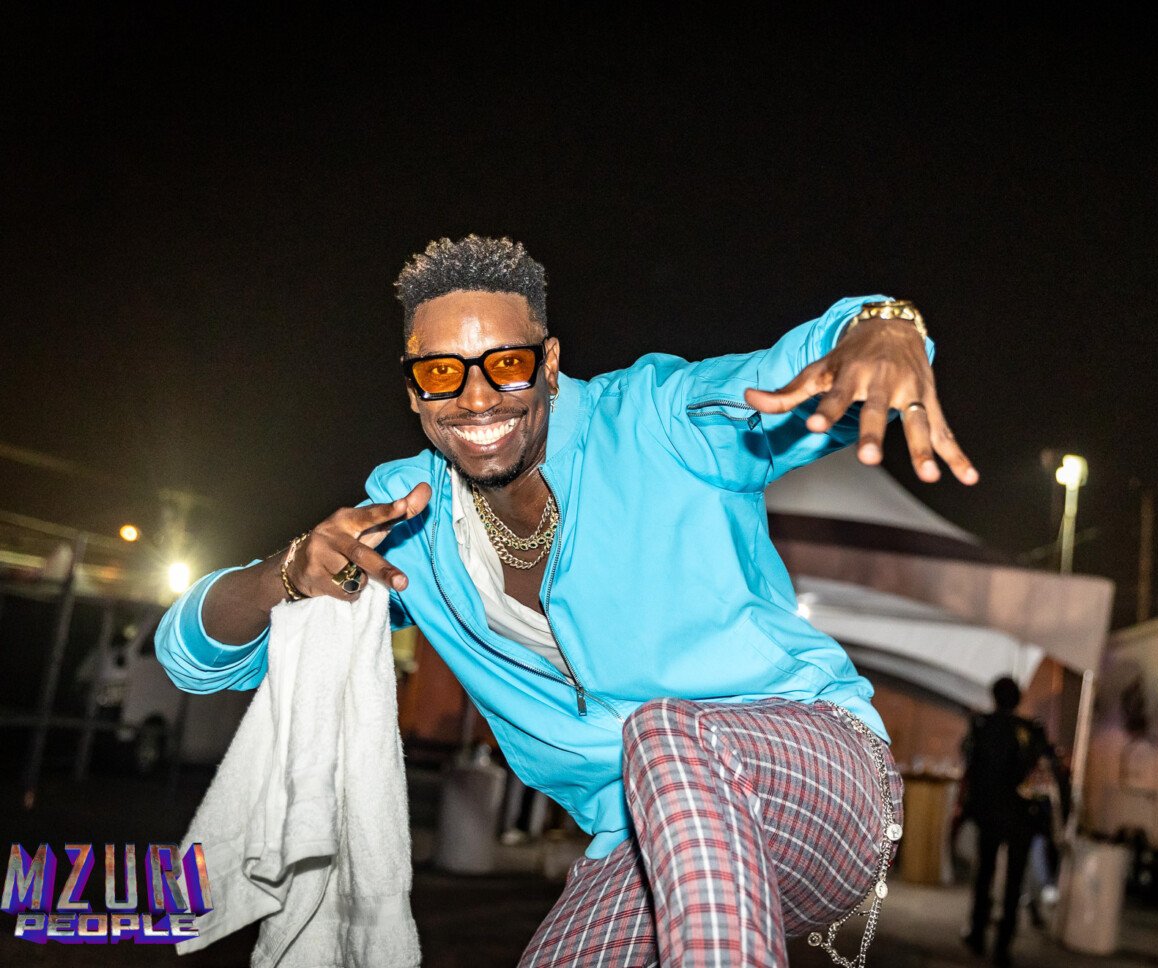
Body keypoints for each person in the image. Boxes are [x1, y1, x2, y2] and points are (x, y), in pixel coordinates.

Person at [155, 235, 978, 967]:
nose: (477, 398)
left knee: (664, 733)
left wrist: (883, 327)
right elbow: (193, 660)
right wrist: (284, 572)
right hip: (642, 841)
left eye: (506, 364)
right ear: (413, 392)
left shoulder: (656, 422)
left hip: (821, 773)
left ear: (548, 363)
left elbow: (782, 377)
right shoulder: (405, 524)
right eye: (441, 373)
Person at [958, 677, 1070, 966]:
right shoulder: (1030, 729)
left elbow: (969, 763)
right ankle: (1003, 946)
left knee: (984, 873)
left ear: (994, 696)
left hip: (988, 813)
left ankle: (978, 934)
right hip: (1021, 815)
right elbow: (1047, 762)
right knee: (1014, 881)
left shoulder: (982, 725)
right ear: (1018, 699)